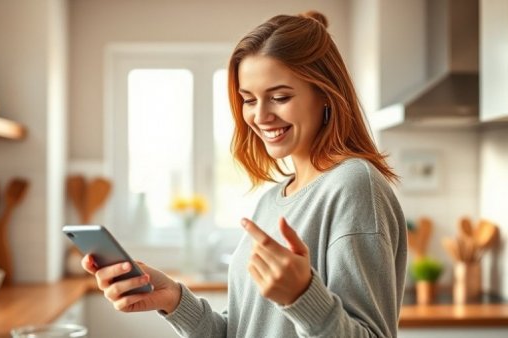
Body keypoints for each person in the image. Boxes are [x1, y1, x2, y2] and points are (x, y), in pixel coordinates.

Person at [82, 10, 406, 338]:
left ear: (325, 93)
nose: (260, 116)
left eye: (280, 97)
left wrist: (302, 297)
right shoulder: (272, 200)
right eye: (249, 100)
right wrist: (175, 300)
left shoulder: (353, 186)